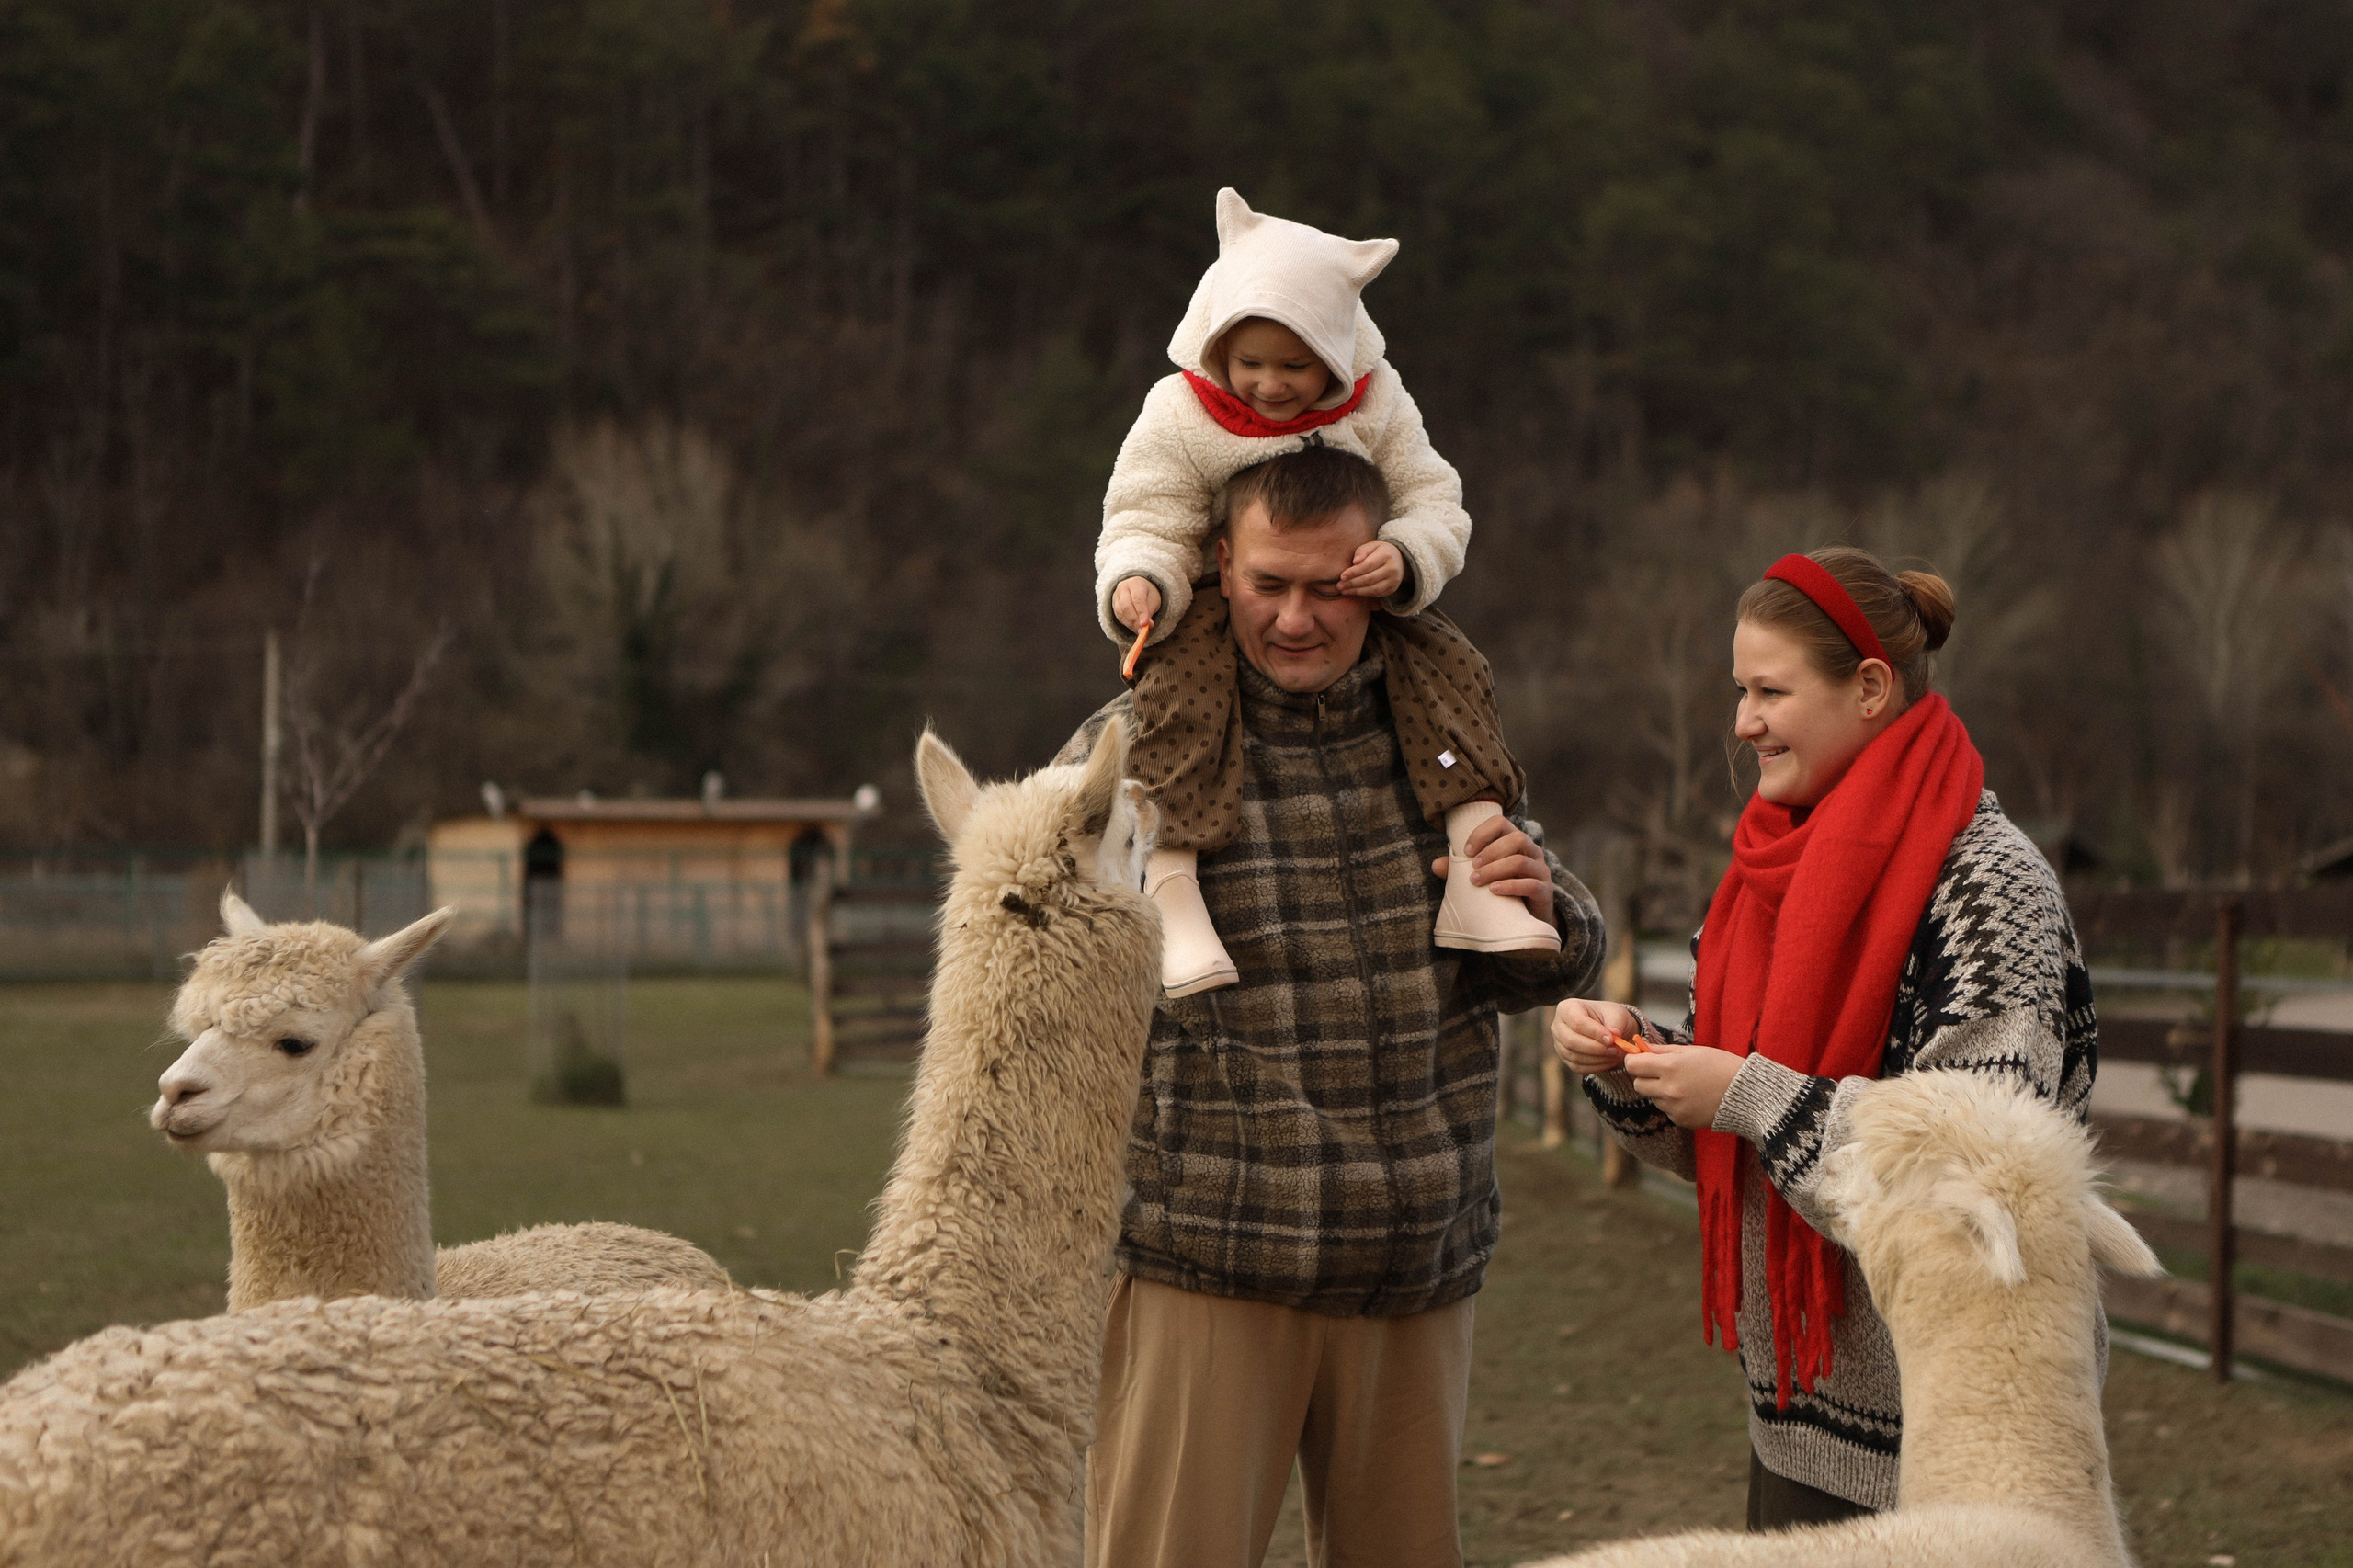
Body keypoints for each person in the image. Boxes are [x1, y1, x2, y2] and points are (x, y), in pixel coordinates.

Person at [1062, 446, 1605, 1568]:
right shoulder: (1128, 746)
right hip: (1209, 1256)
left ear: (1381, 573)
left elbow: (1547, 955)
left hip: (1414, 1265)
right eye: (1270, 584)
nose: (1299, 618)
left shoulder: (1440, 726)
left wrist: (1547, 901)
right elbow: (1040, 962)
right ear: (1218, 565)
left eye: (1330, 586)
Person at [1552, 546, 2098, 1529]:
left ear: (1871, 689)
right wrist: (1636, 1064)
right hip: (1799, 1420)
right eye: (1738, 689)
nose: (1741, 721)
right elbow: (1744, 1144)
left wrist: (1745, 1090)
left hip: (1966, 1438)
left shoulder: (1987, 884)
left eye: (1769, 689)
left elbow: (1973, 1190)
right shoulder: (1766, 872)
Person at [1095, 187, 1558, 998]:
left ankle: (1475, 853)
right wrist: (1141, 579)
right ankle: (1170, 884)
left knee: (1451, 664)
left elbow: (1433, 495)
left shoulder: (1375, 400)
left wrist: (1406, 554)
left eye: (1295, 366)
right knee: (1179, 698)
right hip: (1201, 609)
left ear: (1338, 354)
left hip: (1379, 592)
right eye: (1251, 364)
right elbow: (1145, 510)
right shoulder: (1179, 414)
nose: (1271, 387)